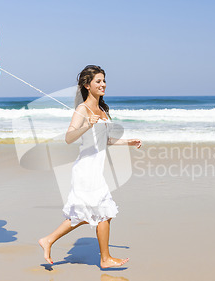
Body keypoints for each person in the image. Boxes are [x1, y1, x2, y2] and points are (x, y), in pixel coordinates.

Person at [38, 65, 142, 269]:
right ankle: (105, 259)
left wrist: (127, 142)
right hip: (86, 170)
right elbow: (69, 138)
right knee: (103, 212)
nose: (103, 85)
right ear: (87, 85)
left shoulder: (102, 110)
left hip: (95, 169)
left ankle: (49, 240)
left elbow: (103, 140)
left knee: (92, 213)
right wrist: (86, 124)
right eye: (98, 81)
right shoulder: (82, 110)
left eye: (104, 81)